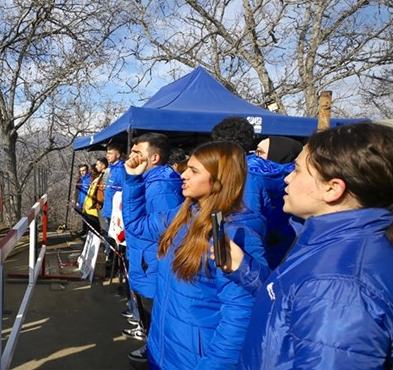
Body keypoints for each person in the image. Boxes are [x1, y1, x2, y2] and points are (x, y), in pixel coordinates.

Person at [220, 123, 393, 369]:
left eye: (298, 170)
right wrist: (244, 269)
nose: (287, 177)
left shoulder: (339, 287)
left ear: (332, 188)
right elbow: (293, 306)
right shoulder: (329, 244)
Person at [122, 141, 267, 370]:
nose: (183, 175)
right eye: (187, 167)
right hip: (164, 347)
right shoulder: (185, 214)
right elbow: (137, 226)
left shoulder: (237, 233)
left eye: (194, 171)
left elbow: (239, 317)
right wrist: (133, 181)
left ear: (219, 179)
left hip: (195, 359)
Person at [121, 133, 184, 347]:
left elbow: (166, 232)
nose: (131, 156)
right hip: (145, 263)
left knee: (155, 321)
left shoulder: (161, 187)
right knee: (148, 319)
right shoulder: (147, 182)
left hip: (153, 268)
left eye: (137, 153)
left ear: (154, 158)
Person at [211, 117, 292, 269]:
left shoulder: (245, 174)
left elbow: (247, 227)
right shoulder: (259, 169)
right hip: (276, 244)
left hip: (250, 259)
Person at [103, 143, 126, 270]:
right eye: (107, 153)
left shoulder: (121, 170)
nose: (107, 155)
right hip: (108, 210)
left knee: (115, 241)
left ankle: (116, 265)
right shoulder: (111, 169)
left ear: (118, 154)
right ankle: (111, 260)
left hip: (115, 213)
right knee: (109, 238)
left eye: (110, 153)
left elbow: (123, 193)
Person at [81, 160, 104, 235]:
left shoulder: (97, 181)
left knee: (95, 230)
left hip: (93, 209)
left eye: (91, 171)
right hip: (88, 209)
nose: (91, 174)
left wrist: (91, 205)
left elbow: (96, 194)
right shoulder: (93, 181)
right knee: (90, 229)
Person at [74, 164, 92, 236]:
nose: (82, 172)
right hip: (80, 200)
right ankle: (84, 230)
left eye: (84, 170)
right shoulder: (80, 179)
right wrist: (76, 200)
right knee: (83, 217)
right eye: (81, 171)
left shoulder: (89, 179)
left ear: (87, 170)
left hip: (87, 201)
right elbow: (77, 191)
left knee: (88, 218)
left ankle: (88, 232)